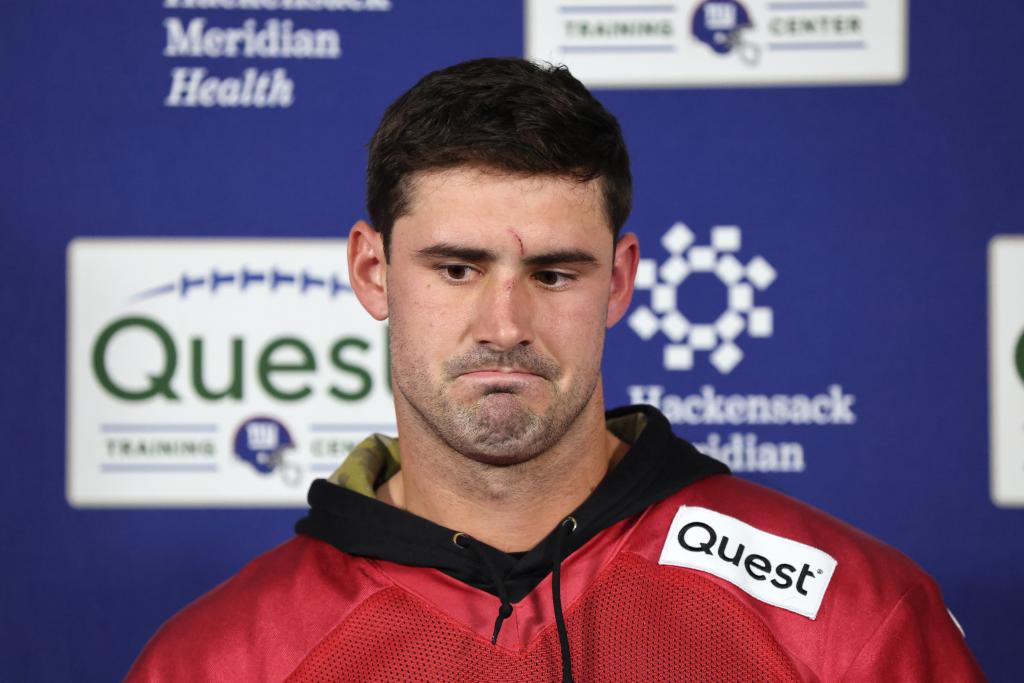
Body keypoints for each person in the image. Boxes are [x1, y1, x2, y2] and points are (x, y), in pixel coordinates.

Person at [126, 57, 984, 682]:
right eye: (456, 269)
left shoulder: (849, 617)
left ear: (617, 282)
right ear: (373, 273)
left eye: (553, 273)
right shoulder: (218, 659)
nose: (506, 325)